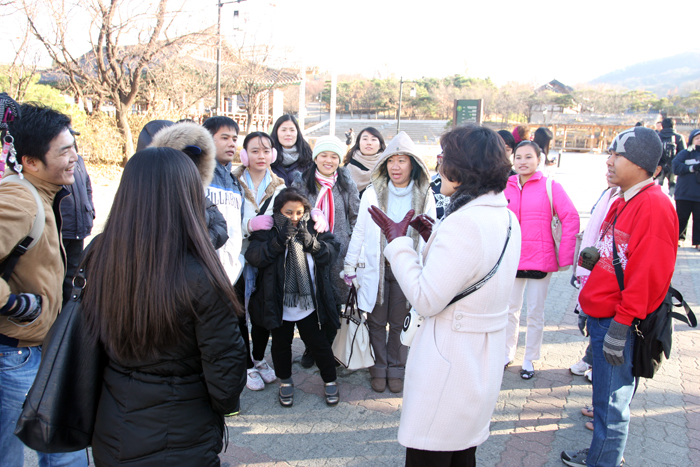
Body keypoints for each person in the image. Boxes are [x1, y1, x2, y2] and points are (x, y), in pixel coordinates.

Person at [367, 125, 521, 467]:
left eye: (444, 158)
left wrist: (398, 244)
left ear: (462, 169)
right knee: (462, 453)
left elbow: (426, 298)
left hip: (451, 357)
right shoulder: (506, 216)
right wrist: (435, 235)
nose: (439, 166)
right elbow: (473, 268)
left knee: (430, 453)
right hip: (481, 356)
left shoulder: (463, 222)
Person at [82, 147, 247, 466]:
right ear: (188, 196)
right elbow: (225, 373)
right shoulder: (200, 273)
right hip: (182, 434)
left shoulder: (99, 254)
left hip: (111, 424)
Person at [561, 126, 678, 467]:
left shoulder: (654, 206)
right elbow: (616, 254)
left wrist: (622, 324)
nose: (608, 161)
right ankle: (600, 454)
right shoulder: (624, 198)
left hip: (618, 321)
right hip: (603, 313)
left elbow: (649, 277)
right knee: (603, 398)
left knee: (612, 404)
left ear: (642, 165)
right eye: (610, 153)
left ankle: (604, 461)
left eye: (617, 155)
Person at [1, 104, 87, 467]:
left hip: (33, 348)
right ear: (31, 162)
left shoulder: (43, 194)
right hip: (15, 353)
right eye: (64, 151)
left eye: (74, 147)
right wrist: (10, 303)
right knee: (58, 452)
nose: (74, 159)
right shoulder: (19, 199)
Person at [343, 131, 436, 394]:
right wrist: (350, 265)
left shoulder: (424, 194)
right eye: (391, 161)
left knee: (400, 322)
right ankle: (378, 368)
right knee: (375, 321)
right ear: (384, 164)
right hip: (378, 267)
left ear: (413, 164)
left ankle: (396, 368)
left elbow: (431, 234)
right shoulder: (372, 193)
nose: (396, 167)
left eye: (402, 160)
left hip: (408, 268)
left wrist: (430, 268)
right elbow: (360, 230)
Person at [245, 188, 341, 407]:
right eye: (289, 213)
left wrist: (312, 243)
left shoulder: (312, 226)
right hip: (279, 304)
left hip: (309, 304)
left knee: (319, 344)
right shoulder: (269, 229)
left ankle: (330, 380)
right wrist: (278, 241)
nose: (294, 218)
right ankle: (285, 381)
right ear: (279, 210)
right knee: (280, 345)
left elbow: (332, 251)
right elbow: (254, 255)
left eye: (299, 212)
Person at [504, 140, 580, 379]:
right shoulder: (505, 186)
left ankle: (529, 358)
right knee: (509, 310)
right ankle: (507, 353)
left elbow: (571, 217)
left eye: (528, 157)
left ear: (540, 159)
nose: (523, 162)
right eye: (518, 157)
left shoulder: (551, 186)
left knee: (535, 312)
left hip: (540, 259)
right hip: (511, 258)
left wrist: (565, 257)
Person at [292, 135, 360, 367]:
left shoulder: (345, 182)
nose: (328, 160)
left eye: (334, 156)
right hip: (309, 249)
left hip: (339, 252)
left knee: (335, 302)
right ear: (316, 158)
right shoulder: (302, 181)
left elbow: (356, 215)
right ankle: (312, 346)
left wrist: (353, 243)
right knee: (312, 301)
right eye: (324, 155)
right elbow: (292, 208)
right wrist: (311, 212)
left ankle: (329, 346)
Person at [233, 131, 286, 391]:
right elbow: (226, 220)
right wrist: (249, 225)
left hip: (265, 257)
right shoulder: (232, 182)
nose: (261, 156)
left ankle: (258, 357)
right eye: (254, 150)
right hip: (237, 256)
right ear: (244, 155)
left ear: (273, 154)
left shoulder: (279, 185)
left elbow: (285, 216)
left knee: (262, 310)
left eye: (266, 150)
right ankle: (246, 364)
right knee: (240, 313)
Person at [150, 121, 229, 249]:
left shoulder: (199, 195)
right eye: (182, 157)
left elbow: (221, 228)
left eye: (193, 158)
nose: (188, 164)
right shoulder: (149, 195)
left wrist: (199, 242)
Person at [60, 150, 95, 307]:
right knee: (57, 275)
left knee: (74, 273)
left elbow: (87, 185)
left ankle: (69, 312)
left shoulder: (78, 160)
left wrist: (90, 208)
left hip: (77, 227)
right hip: (61, 228)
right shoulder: (53, 159)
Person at [672, 129, 700, 249]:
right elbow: (676, 167)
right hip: (684, 193)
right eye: (697, 138)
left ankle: (698, 242)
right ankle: (678, 238)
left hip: (698, 194)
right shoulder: (685, 153)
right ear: (692, 140)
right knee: (682, 217)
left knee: (699, 219)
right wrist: (692, 168)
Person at [270, 115, 314, 186]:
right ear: (276, 132)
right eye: (283, 130)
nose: (288, 134)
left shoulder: (308, 158)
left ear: (297, 132)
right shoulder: (268, 158)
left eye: (292, 130)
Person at [343, 126, 387, 196]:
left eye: (373, 139)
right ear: (358, 143)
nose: (369, 143)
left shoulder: (387, 166)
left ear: (380, 145)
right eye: (365, 139)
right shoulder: (347, 167)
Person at [656, 117, 687, 194]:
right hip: (674, 166)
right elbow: (683, 153)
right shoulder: (679, 137)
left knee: (658, 187)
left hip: (659, 166)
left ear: (662, 126)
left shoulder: (657, 136)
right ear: (673, 125)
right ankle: (671, 202)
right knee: (673, 186)